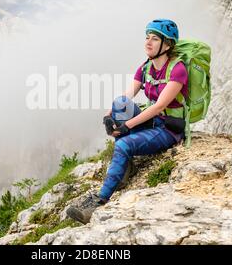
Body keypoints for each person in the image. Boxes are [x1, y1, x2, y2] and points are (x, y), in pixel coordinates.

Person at [66, 19, 188, 224]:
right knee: (120, 104)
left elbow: (159, 106)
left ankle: (100, 201)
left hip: (169, 129)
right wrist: (109, 116)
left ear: (167, 45)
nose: (148, 42)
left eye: (155, 38)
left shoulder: (178, 70)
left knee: (123, 143)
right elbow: (126, 96)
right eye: (147, 37)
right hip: (153, 121)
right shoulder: (146, 68)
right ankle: (125, 167)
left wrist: (126, 126)